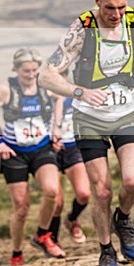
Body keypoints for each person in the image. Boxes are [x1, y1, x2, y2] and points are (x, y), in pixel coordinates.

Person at [39, 0, 134, 266]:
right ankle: (107, 250)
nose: (116, 14)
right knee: (102, 191)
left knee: (133, 182)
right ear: (97, 1)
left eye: (121, 6)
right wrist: (80, 91)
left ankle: (124, 219)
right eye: (110, 7)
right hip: (88, 117)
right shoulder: (80, 30)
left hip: (127, 112)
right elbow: (47, 75)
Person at [0, 49, 65, 266]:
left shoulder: (44, 85)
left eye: (34, 70)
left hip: (41, 147)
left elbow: (60, 98)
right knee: (21, 207)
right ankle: (16, 252)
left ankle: (42, 234)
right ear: (16, 69)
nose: (30, 74)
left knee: (52, 191)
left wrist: (56, 127)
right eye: (26, 71)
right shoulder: (6, 89)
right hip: (14, 152)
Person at [49, 95, 91, 245]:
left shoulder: (75, 93)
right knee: (56, 202)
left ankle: (71, 219)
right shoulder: (38, 95)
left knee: (84, 194)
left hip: (73, 146)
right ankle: (52, 241)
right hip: (48, 148)